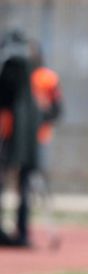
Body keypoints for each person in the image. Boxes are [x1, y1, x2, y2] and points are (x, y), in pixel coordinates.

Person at [0, 30, 44, 247]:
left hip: (23, 136)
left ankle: (22, 230)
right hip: (12, 133)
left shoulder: (34, 74)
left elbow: (53, 108)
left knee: (24, 182)